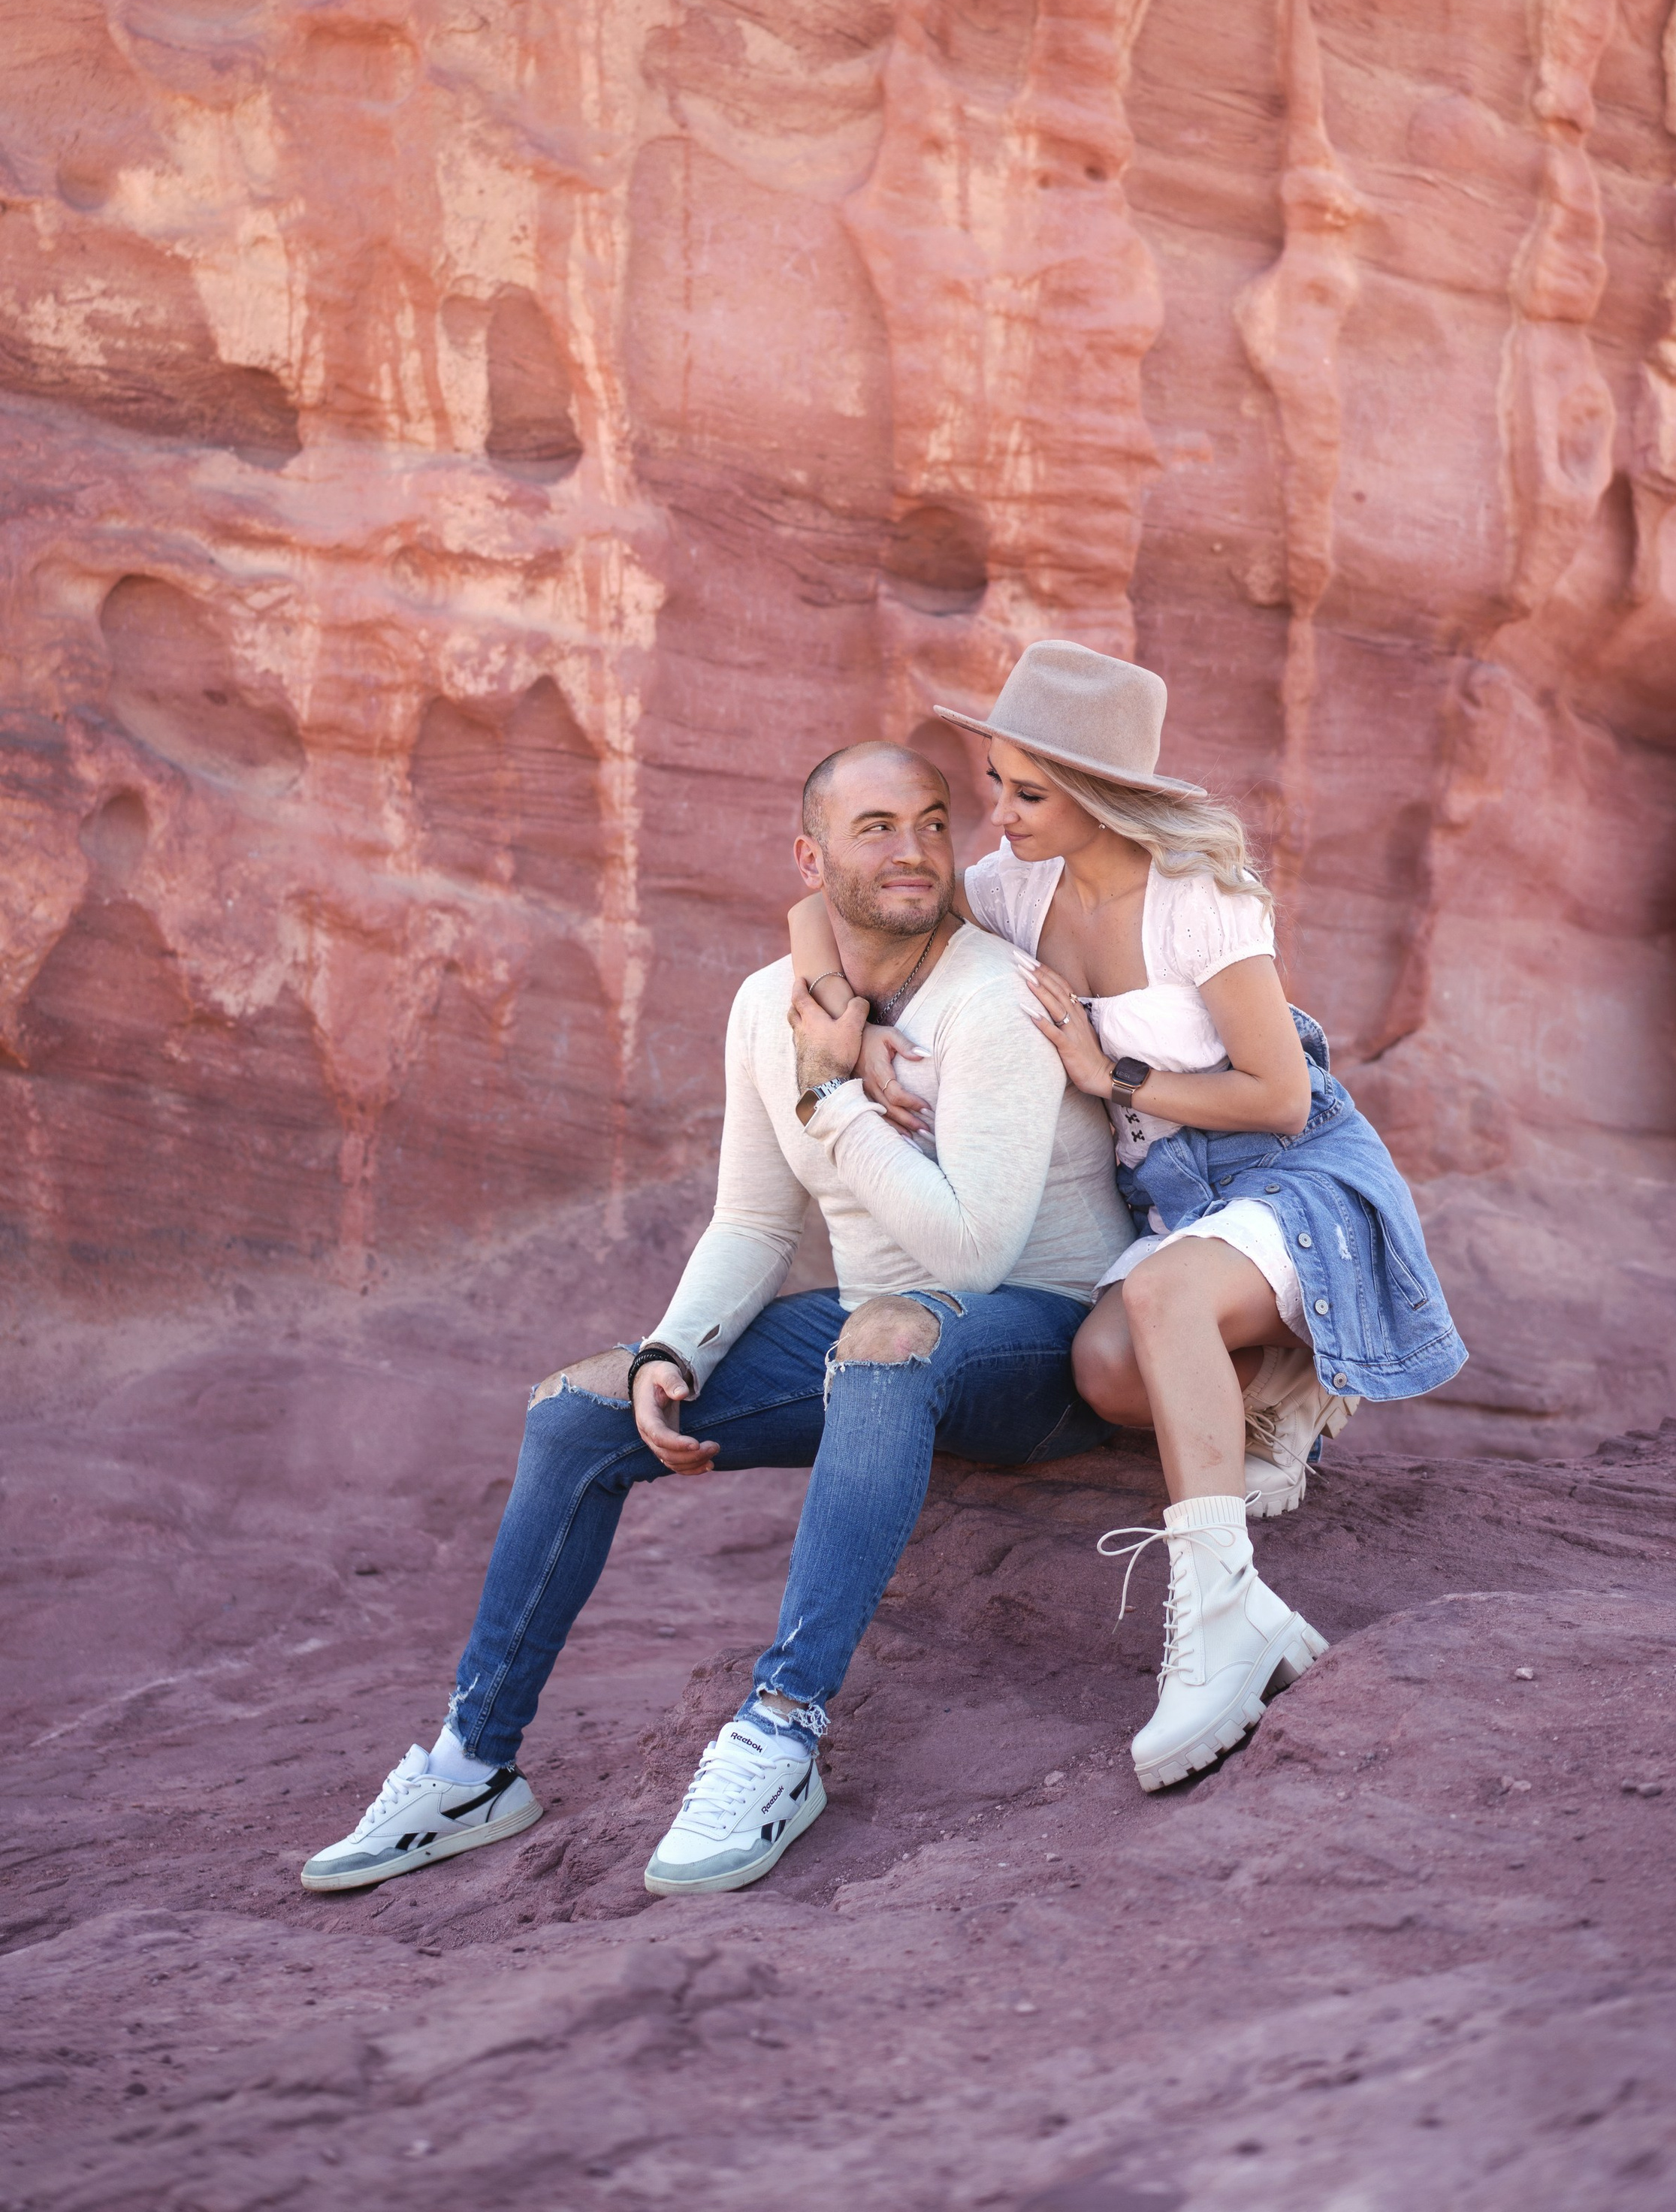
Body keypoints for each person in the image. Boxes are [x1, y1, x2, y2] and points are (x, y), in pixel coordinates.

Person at [300, 743, 1133, 1903]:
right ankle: (473, 1762)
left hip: (1039, 1345)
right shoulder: (767, 1006)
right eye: (877, 827)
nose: (913, 852)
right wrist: (670, 1351)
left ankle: (779, 1735)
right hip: (870, 1332)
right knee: (581, 1407)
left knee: (891, 1333)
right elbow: (749, 1219)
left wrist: (833, 1095)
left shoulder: (993, 1001)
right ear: (810, 857)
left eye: (935, 824)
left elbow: (970, 1255)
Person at [793, 641, 1465, 1793]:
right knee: (1104, 1373)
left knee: (1159, 1297)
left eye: (1028, 793)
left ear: (1103, 796)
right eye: (997, 784)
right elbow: (830, 906)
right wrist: (849, 1031)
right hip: (1177, 1201)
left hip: (1289, 1175)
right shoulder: (1015, 889)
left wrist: (1113, 1077)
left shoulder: (1203, 901)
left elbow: (1280, 1094)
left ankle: (1222, 1625)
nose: (995, 817)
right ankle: (1288, 1395)